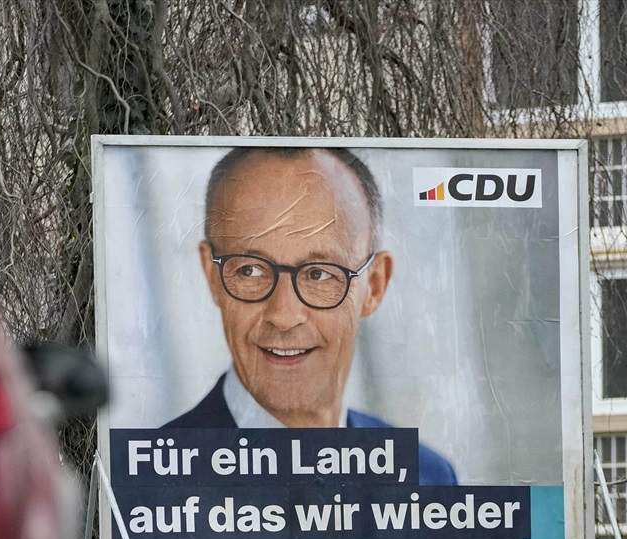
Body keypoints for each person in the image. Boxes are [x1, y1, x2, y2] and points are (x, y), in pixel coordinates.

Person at [158, 145, 457, 485]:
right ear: (211, 277)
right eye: (251, 271)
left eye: (319, 274)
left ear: (374, 285)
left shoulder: (429, 478)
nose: (284, 316)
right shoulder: (149, 487)